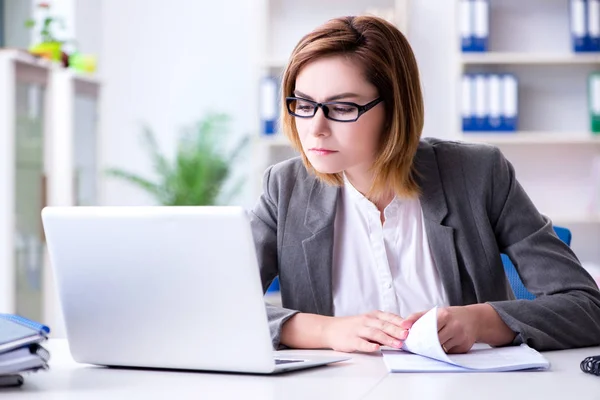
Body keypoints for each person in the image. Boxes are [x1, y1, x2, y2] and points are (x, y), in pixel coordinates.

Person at [249, 15, 600, 354]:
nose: (315, 128)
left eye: (342, 107)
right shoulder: (285, 188)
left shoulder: (478, 174)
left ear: (395, 108)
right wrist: (327, 329)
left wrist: (481, 321)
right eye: (304, 104)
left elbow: (585, 307)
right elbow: (210, 306)